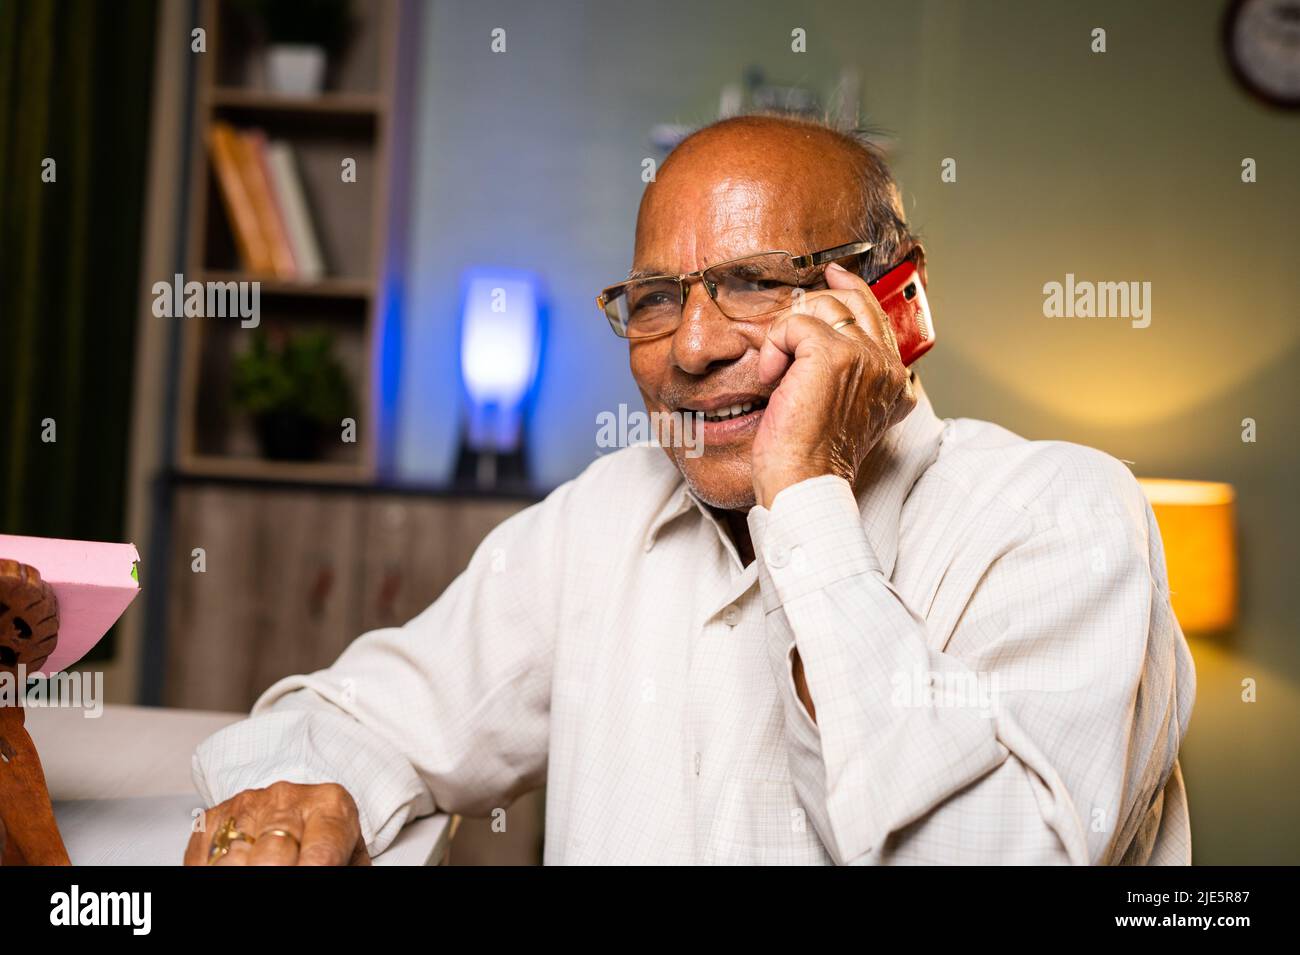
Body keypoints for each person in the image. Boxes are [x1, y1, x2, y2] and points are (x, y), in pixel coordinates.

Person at [187, 114, 1194, 866]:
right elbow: (366, 717)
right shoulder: (603, 514)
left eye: (755, 280)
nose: (695, 345)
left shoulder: (1060, 514)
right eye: (658, 299)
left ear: (895, 299)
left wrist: (806, 496)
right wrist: (320, 797)